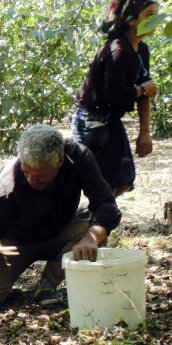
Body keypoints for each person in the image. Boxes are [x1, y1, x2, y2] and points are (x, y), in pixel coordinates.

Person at [0, 124, 121, 308]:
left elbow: (106, 206)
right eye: (27, 173)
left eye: (40, 175)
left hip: (61, 230)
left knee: (95, 233)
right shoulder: (8, 183)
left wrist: (90, 238)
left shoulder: (78, 157)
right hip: (18, 243)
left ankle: (47, 286)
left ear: (59, 161)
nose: (32, 180)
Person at [70, 0, 160, 197]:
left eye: (156, 14)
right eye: (149, 15)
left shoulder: (141, 50)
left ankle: (95, 219)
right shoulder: (118, 49)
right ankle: (89, 221)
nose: (155, 21)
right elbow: (115, 95)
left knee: (122, 180)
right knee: (97, 184)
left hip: (109, 119)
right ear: (132, 20)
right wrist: (142, 89)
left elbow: (145, 87)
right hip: (92, 121)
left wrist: (145, 132)